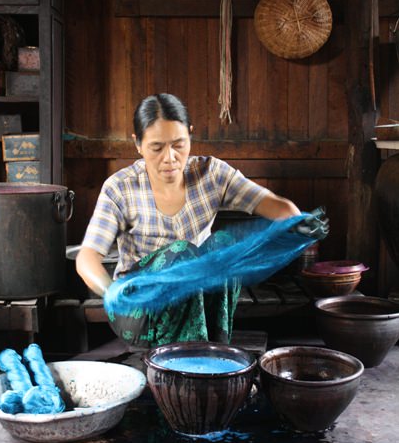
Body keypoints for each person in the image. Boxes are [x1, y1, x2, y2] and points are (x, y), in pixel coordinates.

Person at [76, 93, 325, 358]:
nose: (170, 158)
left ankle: (214, 352)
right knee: (182, 252)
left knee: (224, 247)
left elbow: (276, 206)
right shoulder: (120, 188)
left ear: (190, 136)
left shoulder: (211, 174)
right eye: (157, 148)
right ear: (137, 144)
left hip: (198, 304)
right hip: (139, 310)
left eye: (179, 144)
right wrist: (112, 291)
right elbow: (87, 258)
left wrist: (298, 225)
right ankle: (188, 366)